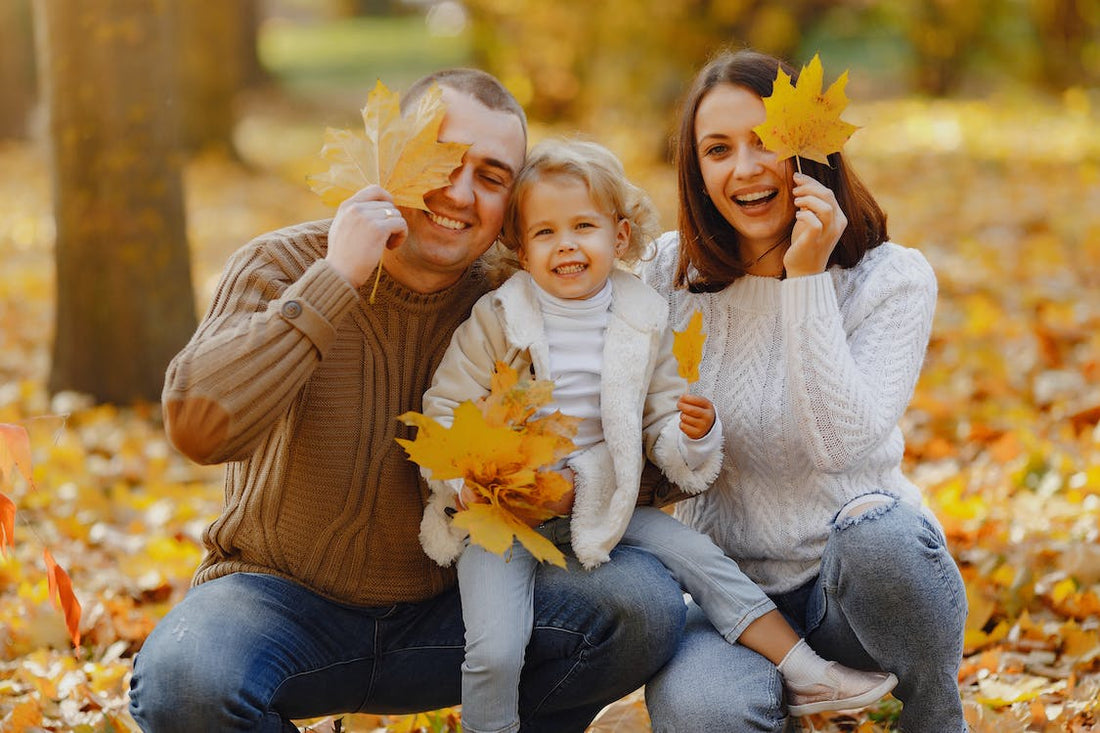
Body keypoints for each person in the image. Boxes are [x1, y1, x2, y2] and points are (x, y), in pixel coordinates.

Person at [127, 69, 690, 733]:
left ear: (510, 208)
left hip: (461, 609)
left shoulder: (524, 301)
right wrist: (337, 278)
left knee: (643, 604)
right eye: (441, 159)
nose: (460, 192)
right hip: (276, 605)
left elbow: (651, 455)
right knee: (184, 681)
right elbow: (199, 426)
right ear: (394, 155)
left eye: (491, 176)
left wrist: (564, 486)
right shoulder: (285, 265)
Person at [415, 138, 898, 733]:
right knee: (495, 648)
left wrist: (693, 434)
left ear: (618, 236)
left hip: (602, 501)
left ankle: (805, 669)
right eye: (544, 232)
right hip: (500, 511)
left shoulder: (640, 315)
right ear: (520, 246)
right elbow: (444, 407)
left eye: (583, 226)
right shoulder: (499, 318)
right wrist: (461, 478)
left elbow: (660, 419)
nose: (565, 244)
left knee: (702, 558)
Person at [639, 49, 968, 732]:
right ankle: (779, 702)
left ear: (809, 146)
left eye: (764, 140)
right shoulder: (668, 273)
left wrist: (807, 278)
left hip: (854, 591)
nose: (744, 168)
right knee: (702, 712)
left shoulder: (890, 280)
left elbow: (838, 447)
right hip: (730, 602)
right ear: (696, 171)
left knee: (884, 538)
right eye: (717, 150)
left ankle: (934, 719)